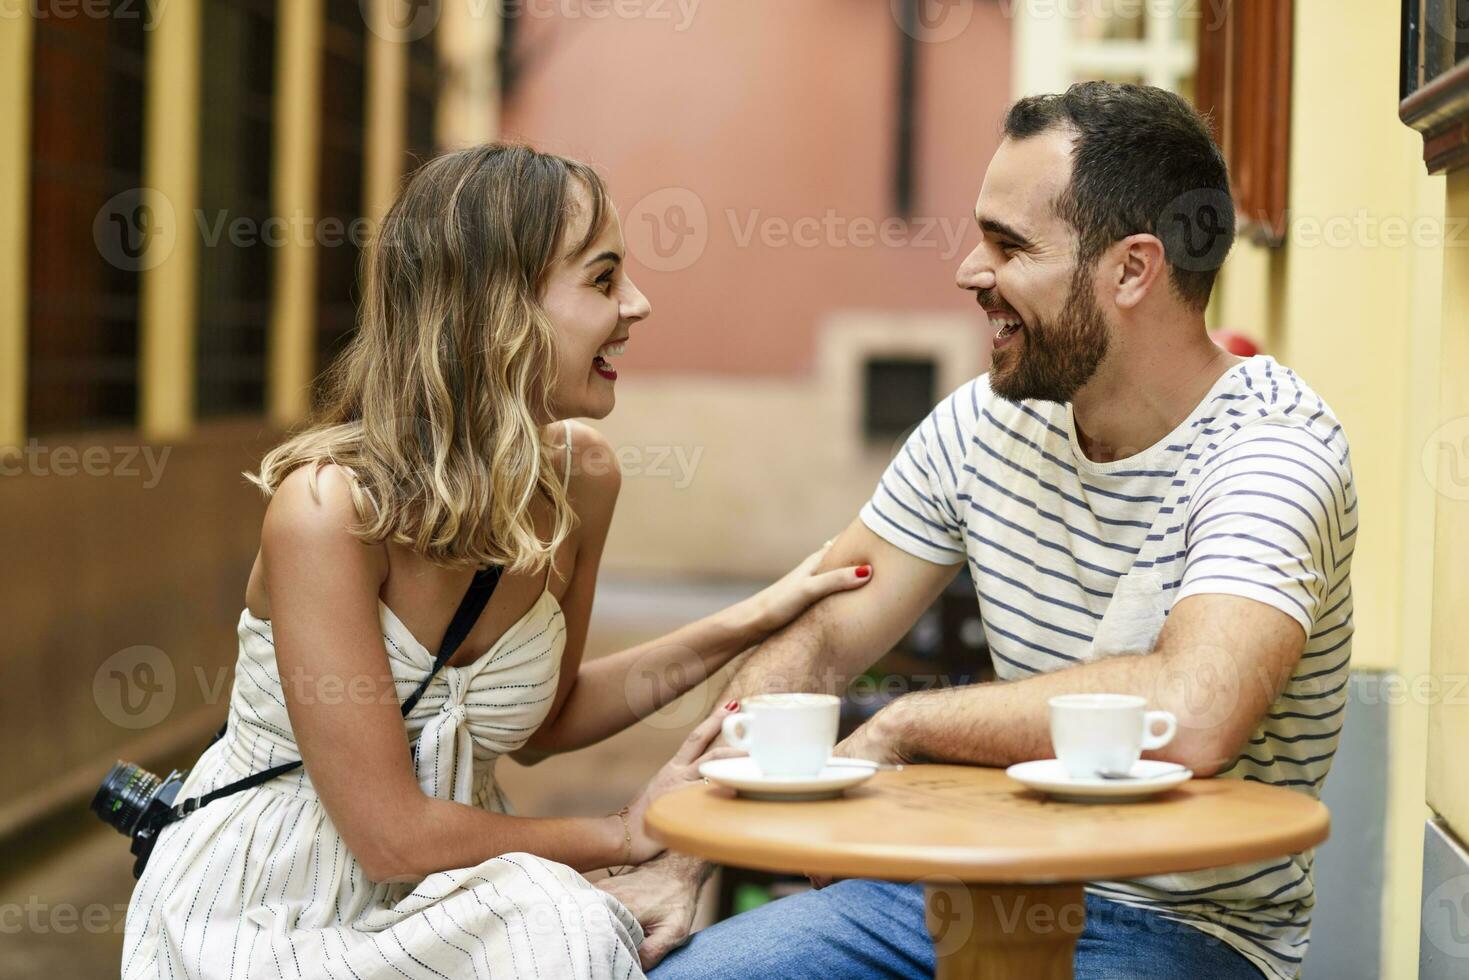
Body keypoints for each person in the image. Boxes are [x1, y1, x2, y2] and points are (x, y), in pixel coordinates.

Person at [612, 82, 1356, 980]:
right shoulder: (983, 424)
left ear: (1131, 270)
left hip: (1182, 933)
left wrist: (906, 725)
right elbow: (815, 635)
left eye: (1008, 246)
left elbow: (1192, 713)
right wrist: (685, 861)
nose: (969, 271)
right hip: (949, 894)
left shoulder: (1271, 451)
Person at [119, 144, 872, 980]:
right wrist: (624, 837)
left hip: (453, 894)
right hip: (270, 903)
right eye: (602, 278)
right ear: (495, 308)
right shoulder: (330, 511)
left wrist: (756, 616)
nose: (638, 304)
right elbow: (390, 836)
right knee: (564, 926)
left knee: (563, 929)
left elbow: (546, 721)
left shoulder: (582, 478)